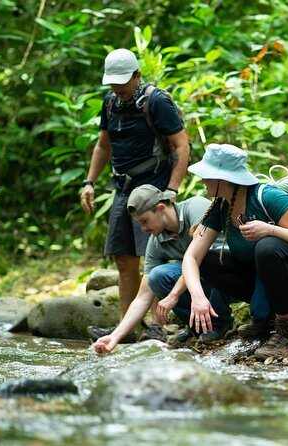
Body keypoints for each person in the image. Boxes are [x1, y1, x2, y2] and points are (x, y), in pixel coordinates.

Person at [181, 143, 288, 360]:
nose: (202, 181)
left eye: (206, 176)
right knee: (209, 260)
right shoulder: (221, 207)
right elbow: (191, 257)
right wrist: (198, 297)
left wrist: (270, 230)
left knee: (267, 246)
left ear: (222, 179)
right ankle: (268, 321)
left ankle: (287, 332)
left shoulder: (267, 196)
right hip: (273, 281)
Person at [80, 48, 190, 335]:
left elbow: (182, 145)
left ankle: (157, 325)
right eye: (113, 83)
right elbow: (104, 145)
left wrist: (171, 191)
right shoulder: (110, 103)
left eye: (123, 81)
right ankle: (125, 328)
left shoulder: (156, 102)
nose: (118, 88)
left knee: (154, 257)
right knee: (124, 257)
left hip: (153, 190)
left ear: (138, 75)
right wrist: (89, 182)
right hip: (122, 189)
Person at [92, 184, 233, 354]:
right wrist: (115, 337)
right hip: (202, 281)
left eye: (144, 221)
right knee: (157, 277)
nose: (143, 229)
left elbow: (202, 257)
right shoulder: (156, 241)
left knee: (210, 260)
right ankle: (200, 325)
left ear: (160, 208)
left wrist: (173, 295)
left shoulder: (195, 207)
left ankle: (219, 321)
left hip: (233, 274)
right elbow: (143, 297)